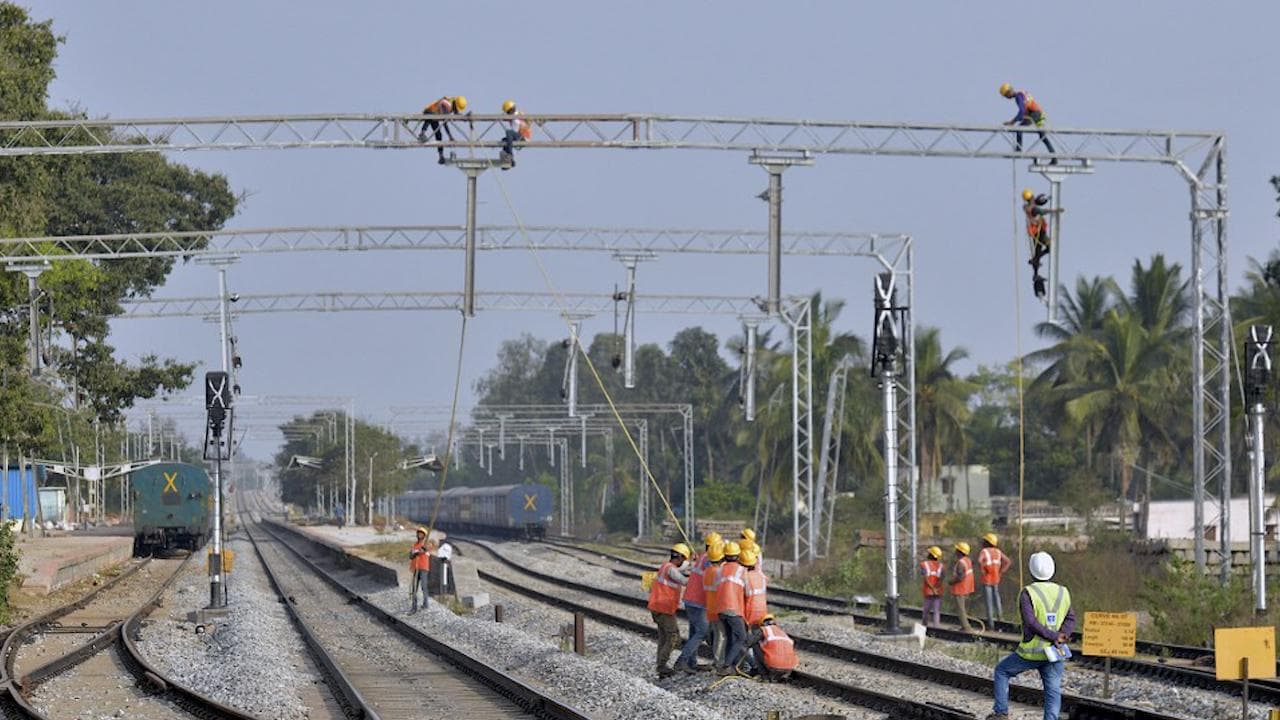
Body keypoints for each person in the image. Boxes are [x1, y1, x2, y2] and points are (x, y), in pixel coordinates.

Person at [987, 551, 1075, 720]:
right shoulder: (1063, 592)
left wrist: (1052, 635)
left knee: (1002, 671)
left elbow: (1031, 622)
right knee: (1053, 689)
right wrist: (1061, 636)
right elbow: (1071, 617)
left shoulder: (1028, 593)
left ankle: (1001, 713)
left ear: (1031, 570)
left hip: (1031, 652)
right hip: (1055, 651)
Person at [675, 532, 719, 672]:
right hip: (698, 602)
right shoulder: (707, 560)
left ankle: (691, 662)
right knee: (702, 630)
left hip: (690, 599)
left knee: (694, 631)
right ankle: (682, 661)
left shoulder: (703, 557)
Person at [647, 542, 691, 678]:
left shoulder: (666, 566)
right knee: (673, 637)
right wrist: (695, 574)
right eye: (684, 560)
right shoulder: (671, 569)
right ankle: (662, 666)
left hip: (658, 607)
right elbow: (684, 581)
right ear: (680, 558)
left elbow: (680, 573)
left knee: (663, 638)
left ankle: (661, 666)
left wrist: (690, 567)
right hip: (663, 608)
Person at [714, 540, 747, 676]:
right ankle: (727, 665)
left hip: (720, 608)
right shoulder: (741, 570)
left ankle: (727, 665)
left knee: (729, 637)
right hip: (733, 608)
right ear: (738, 556)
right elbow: (748, 591)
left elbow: (717, 587)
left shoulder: (720, 569)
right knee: (741, 637)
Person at [999, 83, 1057, 159]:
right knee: (1042, 137)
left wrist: (1012, 122)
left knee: (1019, 129)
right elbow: (1024, 111)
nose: (1006, 97)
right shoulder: (1022, 93)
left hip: (1034, 114)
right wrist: (1014, 121)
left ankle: (1018, 152)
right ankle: (1054, 158)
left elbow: (1022, 111)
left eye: (1005, 95)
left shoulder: (1018, 97)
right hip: (1039, 114)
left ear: (1008, 92)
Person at [745, 614, 798, 682]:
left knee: (755, 645)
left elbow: (749, 643)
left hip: (774, 665)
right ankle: (781, 675)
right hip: (789, 668)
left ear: (762, 624)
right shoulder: (782, 633)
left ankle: (764, 676)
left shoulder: (764, 630)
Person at [419, 95, 468, 164]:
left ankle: (441, 156)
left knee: (439, 135)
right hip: (430, 111)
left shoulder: (451, 105)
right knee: (430, 117)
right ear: (455, 105)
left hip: (435, 116)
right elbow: (445, 122)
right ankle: (422, 133)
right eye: (457, 108)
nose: (456, 111)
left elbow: (453, 115)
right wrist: (450, 136)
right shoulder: (448, 105)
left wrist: (464, 117)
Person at [1022, 188, 1053, 298]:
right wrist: (1054, 211)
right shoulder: (1032, 208)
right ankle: (1035, 262)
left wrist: (1047, 198)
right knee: (1049, 248)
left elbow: (1040, 201)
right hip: (1038, 232)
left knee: (1038, 251)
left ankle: (1035, 271)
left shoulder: (1028, 206)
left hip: (1037, 231)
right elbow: (1040, 211)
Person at [977, 532, 1013, 627]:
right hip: (996, 579)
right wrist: (1001, 572)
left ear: (987, 542)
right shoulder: (998, 552)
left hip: (986, 580)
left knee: (989, 602)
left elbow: (979, 561)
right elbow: (1008, 561)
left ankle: (991, 625)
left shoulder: (984, 551)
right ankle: (1001, 620)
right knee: (997, 600)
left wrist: (983, 570)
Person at [703, 539, 726, 668]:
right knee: (721, 636)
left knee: (716, 634)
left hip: (709, 607)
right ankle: (719, 662)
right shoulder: (718, 572)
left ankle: (717, 660)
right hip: (718, 608)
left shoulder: (707, 571)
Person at [950, 541, 976, 632]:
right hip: (967, 588)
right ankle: (964, 626)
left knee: (960, 609)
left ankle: (966, 627)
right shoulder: (968, 560)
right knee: (963, 608)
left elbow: (960, 577)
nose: (955, 551)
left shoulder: (961, 563)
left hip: (960, 588)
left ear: (960, 552)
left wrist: (951, 582)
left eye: (957, 550)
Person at [500, 100, 532, 168]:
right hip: (519, 136)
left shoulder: (517, 117)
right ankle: (507, 160)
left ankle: (510, 155)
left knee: (509, 132)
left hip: (522, 137)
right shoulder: (514, 116)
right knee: (504, 140)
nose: (508, 113)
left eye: (508, 112)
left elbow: (515, 130)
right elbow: (504, 118)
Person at [408, 526, 432, 614]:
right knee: (414, 588)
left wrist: (422, 551)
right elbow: (411, 556)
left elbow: (427, 550)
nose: (420, 535)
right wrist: (415, 553)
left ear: (424, 535)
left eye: (421, 534)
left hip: (423, 568)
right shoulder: (414, 545)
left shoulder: (427, 544)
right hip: (415, 568)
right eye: (419, 533)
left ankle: (426, 604)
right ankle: (414, 606)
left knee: (424, 587)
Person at [920, 545, 945, 628]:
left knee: (926, 610)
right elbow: (942, 578)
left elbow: (925, 578)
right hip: (938, 590)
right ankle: (936, 627)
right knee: (936, 610)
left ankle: (924, 625)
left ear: (930, 555)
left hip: (928, 590)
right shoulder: (941, 566)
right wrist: (936, 587)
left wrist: (932, 588)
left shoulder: (924, 564)